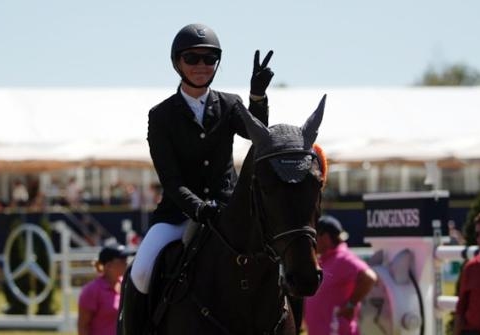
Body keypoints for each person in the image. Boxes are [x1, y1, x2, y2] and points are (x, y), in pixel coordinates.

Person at [125, 22, 274, 330]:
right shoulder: (161, 115)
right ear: (177, 62)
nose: (201, 66)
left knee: (278, 258)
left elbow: (257, 135)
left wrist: (257, 97)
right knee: (140, 271)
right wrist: (197, 207)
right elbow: (170, 178)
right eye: (192, 58)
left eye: (209, 59)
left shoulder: (230, 104)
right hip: (179, 214)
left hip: (228, 212)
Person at [304, 215, 377, 335]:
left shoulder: (343, 258)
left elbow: (369, 277)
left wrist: (351, 304)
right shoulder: (326, 259)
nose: (313, 241)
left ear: (326, 237)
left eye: (315, 236)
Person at [78, 244, 129, 335]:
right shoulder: (92, 290)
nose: (126, 263)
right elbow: (83, 326)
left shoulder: (125, 285)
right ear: (108, 266)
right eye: (122, 260)